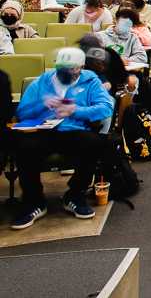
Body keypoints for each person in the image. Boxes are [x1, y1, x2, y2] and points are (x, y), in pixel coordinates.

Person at [10, 47, 114, 230]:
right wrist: (41, 104)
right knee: (24, 146)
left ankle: (75, 194)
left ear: (80, 67)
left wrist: (76, 110)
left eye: (73, 68)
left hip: (74, 129)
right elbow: (22, 112)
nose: (68, 72)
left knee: (94, 143)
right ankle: (34, 200)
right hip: (43, 129)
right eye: (64, 68)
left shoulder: (90, 81)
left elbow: (105, 107)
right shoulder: (42, 82)